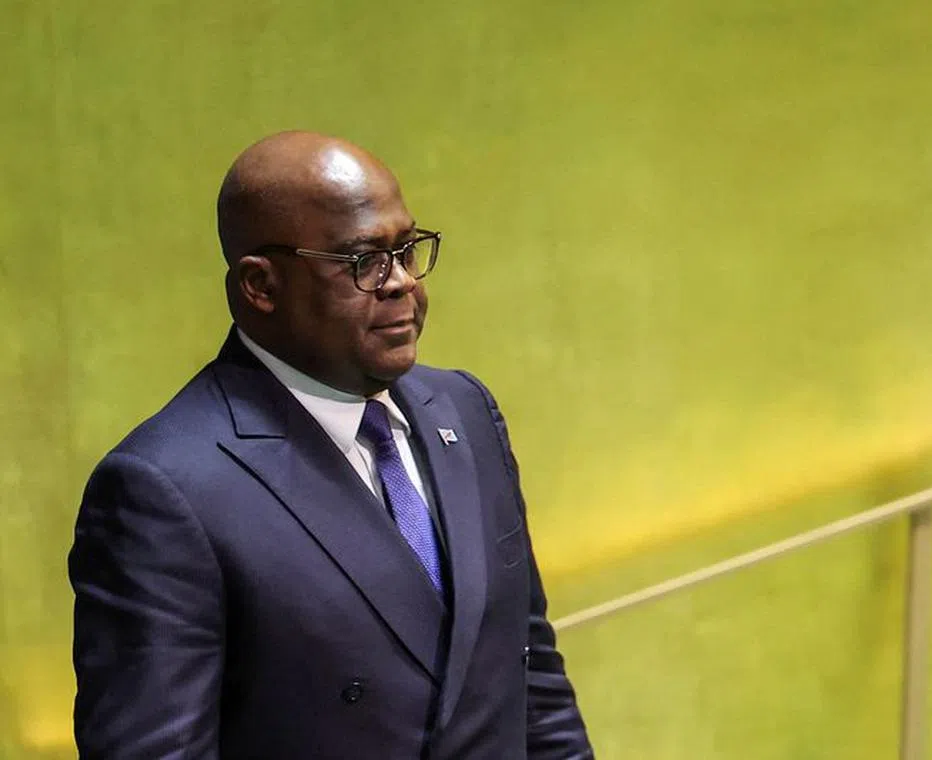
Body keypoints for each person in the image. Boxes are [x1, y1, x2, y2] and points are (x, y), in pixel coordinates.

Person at [68, 131, 593, 759]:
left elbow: (530, 681)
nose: (400, 282)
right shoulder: (166, 491)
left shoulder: (465, 411)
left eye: (406, 250)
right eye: (362, 262)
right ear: (260, 286)